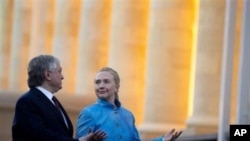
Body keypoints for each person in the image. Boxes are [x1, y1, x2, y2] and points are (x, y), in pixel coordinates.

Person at [12, 54, 106, 141]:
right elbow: (40, 136)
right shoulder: (27, 102)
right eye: (59, 71)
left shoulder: (52, 101)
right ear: (47, 74)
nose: (62, 77)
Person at [76, 67, 182, 141]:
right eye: (97, 82)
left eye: (106, 81)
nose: (101, 85)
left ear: (117, 87)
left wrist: (162, 139)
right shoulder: (88, 113)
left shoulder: (128, 115)